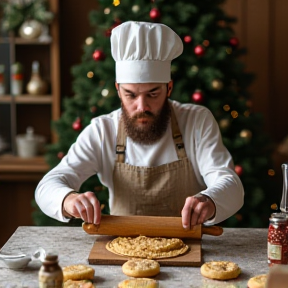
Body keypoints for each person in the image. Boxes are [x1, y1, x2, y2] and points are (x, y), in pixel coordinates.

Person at [35, 21, 244, 230]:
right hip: (122, 252)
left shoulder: (197, 121)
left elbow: (231, 185)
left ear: (169, 88)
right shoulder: (102, 131)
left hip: (188, 247)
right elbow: (47, 186)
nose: (141, 106)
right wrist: (68, 200)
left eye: (153, 94)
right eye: (130, 95)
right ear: (118, 89)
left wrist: (208, 200)